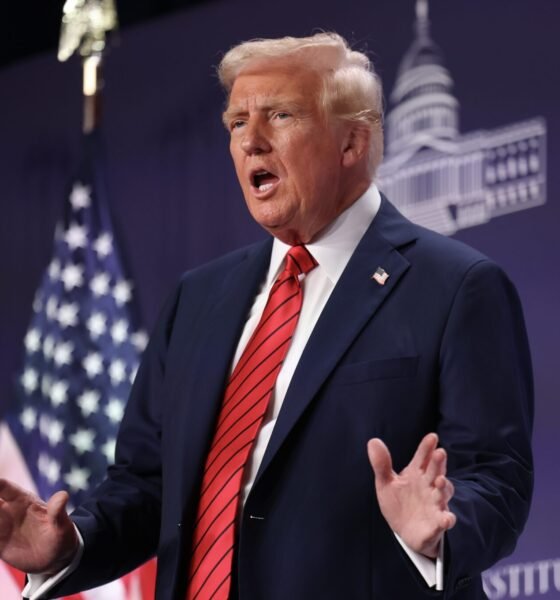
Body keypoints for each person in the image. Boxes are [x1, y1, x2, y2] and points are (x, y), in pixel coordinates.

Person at [0, 32, 533, 600]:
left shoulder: (456, 287)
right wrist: (70, 544)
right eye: (236, 123)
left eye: (280, 115)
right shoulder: (197, 299)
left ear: (352, 142)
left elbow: (496, 479)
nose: (251, 141)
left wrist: (439, 530)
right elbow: (147, 485)